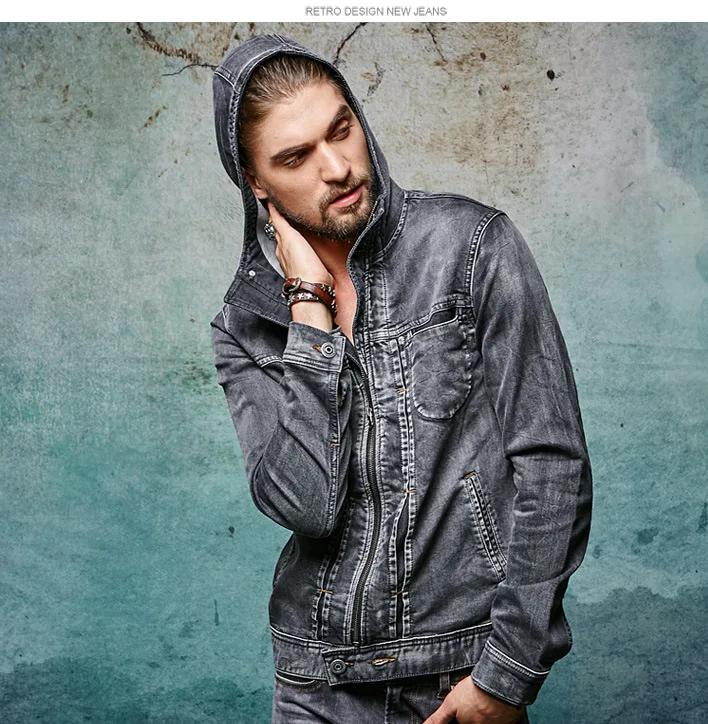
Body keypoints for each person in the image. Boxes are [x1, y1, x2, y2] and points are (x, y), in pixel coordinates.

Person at [209, 33, 593, 724]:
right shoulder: (245, 325)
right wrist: (309, 313)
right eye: (296, 157)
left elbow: (553, 464)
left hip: (458, 675)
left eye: (341, 129)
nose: (336, 167)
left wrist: (506, 673)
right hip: (317, 681)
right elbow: (307, 507)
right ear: (256, 183)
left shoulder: (472, 247)